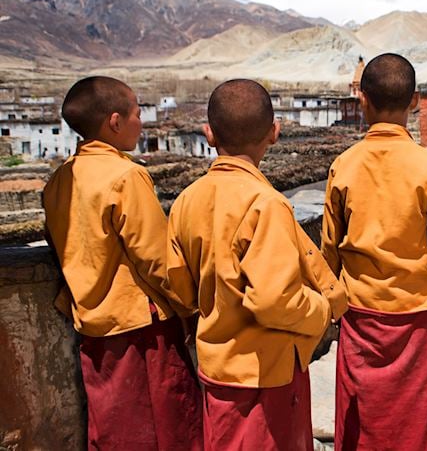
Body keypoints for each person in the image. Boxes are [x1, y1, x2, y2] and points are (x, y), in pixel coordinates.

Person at [166, 79, 348, 450]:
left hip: (218, 367)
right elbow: (274, 301)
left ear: (209, 135)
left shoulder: (186, 201)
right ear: (275, 132)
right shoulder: (266, 204)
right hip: (267, 374)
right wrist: (321, 309)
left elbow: (181, 290)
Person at [322, 53, 427, 450]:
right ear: (415, 100)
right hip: (418, 319)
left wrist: (330, 306)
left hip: (361, 318)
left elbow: (329, 250)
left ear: (363, 100)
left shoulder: (344, 166)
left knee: (366, 424)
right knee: (418, 425)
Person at [42, 76, 202, 450]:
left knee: (114, 430)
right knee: (166, 431)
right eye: (136, 112)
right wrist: (190, 307)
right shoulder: (125, 176)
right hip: (140, 332)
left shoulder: (59, 180)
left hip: (93, 328)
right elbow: (157, 261)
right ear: (114, 122)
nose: (141, 121)